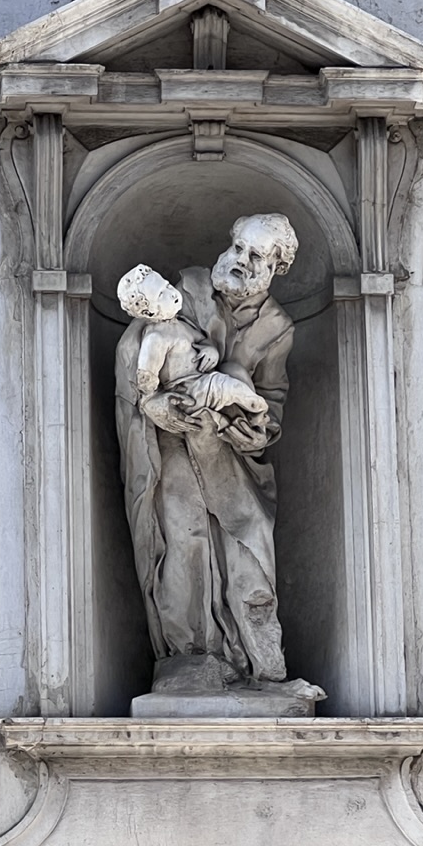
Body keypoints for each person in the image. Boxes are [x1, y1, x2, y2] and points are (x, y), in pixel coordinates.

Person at [115, 213, 299, 688]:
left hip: (230, 457)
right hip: (175, 443)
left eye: (256, 256)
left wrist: (259, 434)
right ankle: (193, 659)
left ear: (276, 268)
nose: (240, 261)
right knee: (183, 540)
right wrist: (152, 404)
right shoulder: (189, 289)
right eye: (238, 247)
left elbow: (273, 397)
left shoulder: (277, 327)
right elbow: (139, 348)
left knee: (249, 553)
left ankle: (257, 667)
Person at [116, 262, 271, 427]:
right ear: (149, 312)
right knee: (232, 389)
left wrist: (211, 350)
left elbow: (201, 340)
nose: (171, 294)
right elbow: (146, 377)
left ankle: (254, 415)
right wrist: (150, 399)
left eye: (167, 285)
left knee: (236, 376)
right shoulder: (155, 338)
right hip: (189, 391)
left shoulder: (180, 324)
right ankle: (259, 410)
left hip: (203, 380)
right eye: (161, 294)